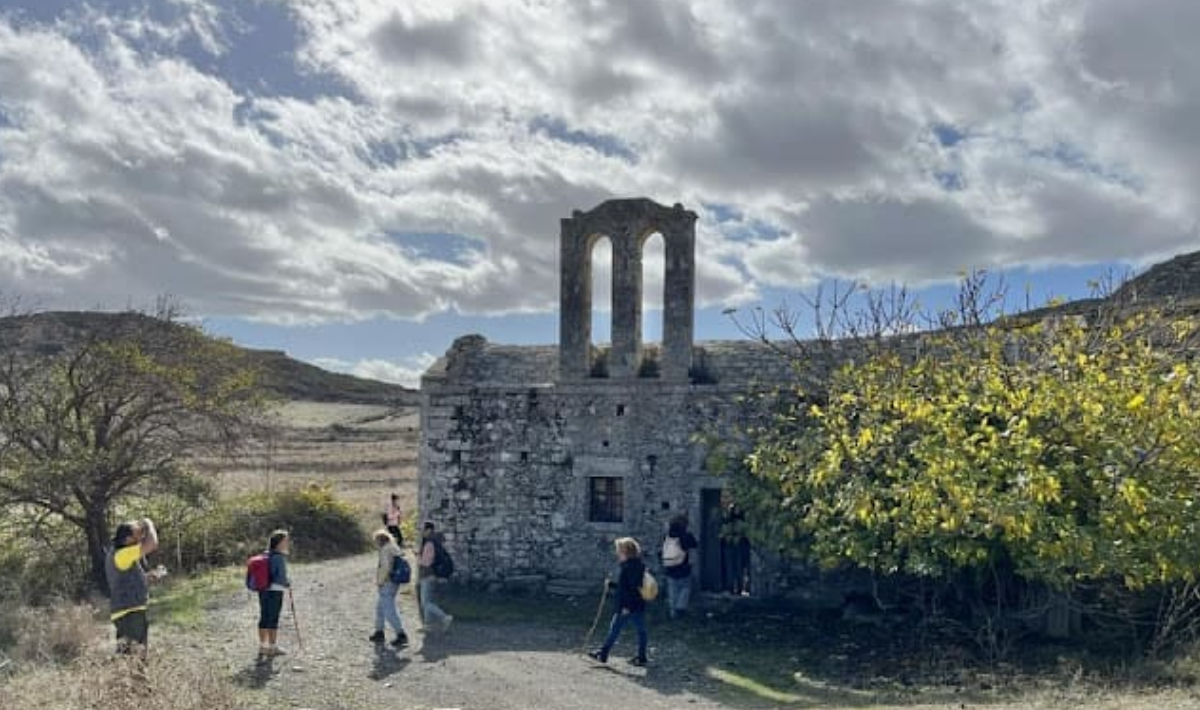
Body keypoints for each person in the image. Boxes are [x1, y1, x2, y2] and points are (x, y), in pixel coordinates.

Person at [588, 537, 649, 666]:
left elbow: (632, 589)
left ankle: (603, 654)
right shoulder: (636, 565)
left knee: (616, 629)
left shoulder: (629, 567)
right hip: (637, 605)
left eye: (619, 550)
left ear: (625, 551)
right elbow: (626, 586)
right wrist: (612, 585)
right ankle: (641, 656)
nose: (617, 553)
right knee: (640, 630)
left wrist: (627, 606)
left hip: (628, 606)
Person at [106, 517, 161, 656]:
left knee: (127, 657)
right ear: (128, 539)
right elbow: (152, 544)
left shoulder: (121, 553)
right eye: (138, 532)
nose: (142, 535)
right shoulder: (122, 554)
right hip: (130, 613)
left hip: (126, 613)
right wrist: (149, 523)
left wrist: (146, 578)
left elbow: (125, 580)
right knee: (137, 658)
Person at [369, 529, 409, 647]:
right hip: (393, 582)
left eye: (376, 541)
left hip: (387, 583)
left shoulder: (385, 550)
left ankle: (401, 634)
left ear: (380, 540)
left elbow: (386, 567)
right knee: (380, 608)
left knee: (389, 610)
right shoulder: (394, 547)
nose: (376, 543)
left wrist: (380, 581)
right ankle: (379, 631)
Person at [257, 529, 291, 659]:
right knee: (273, 618)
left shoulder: (266, 554)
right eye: (286, 540)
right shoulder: (279, 557)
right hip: (275, 591)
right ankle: (272, 647)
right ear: (280, 542)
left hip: (262, 590)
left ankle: (262, 646)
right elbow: (281, 578)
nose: (287, 543)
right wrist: (287, 582)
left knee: (264, 616)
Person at [418, 522, 453, 632]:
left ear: (429, 530)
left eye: (423, 529)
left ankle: (444, 617)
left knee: (425, 603)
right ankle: (428, 625)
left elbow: (426, 562)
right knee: (428, 600)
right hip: (433, 575)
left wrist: (418, 558)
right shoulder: (436, 541)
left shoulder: (429, 543)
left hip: (428, 574)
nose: (421, 532)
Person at [662, 514, 699, 619]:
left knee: (672, 590)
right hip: (683, 567)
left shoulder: (667, 536)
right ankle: (680, 607)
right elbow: (694, 546)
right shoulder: (686, 536)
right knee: (685, 588)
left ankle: (673, 613)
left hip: (669, 566)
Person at [722, 503, 751, 596]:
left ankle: (739, 588)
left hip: (740, 547)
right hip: (729, 547)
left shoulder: (742, 523)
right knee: (730, 568)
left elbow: (746, 534)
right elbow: (723, 534)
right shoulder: (727, 523)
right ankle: (730, 588)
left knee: (739, 568)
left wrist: (739, 538)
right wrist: (728, 537)